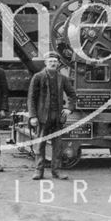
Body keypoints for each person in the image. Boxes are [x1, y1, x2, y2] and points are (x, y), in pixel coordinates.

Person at [27, 52, 77, 180]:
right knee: (40, 145)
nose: (53, 63)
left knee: (58, 146)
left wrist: (68, 109)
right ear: (45, 63)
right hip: (42, 117)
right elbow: (31, 98)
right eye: (50, 61)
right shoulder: (38, 77)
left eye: (55, 61)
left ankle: (57, 171)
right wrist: (33, 116)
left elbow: (72, 94)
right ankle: (39, 171)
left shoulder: (62, 78)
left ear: (58, 63)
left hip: (57, 118)